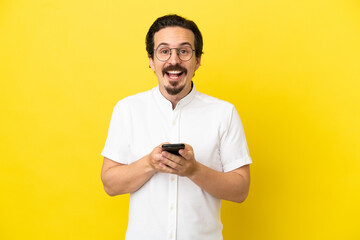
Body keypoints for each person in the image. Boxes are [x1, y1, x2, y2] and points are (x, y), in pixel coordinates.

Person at [101, 14, 252, 240]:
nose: (174, 60)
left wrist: (193, 170)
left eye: (184, 51)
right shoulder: (127, 110)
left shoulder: (224, 113)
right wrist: (150, 163)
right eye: (164, 51)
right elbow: (110, 184)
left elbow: (240, 190)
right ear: (151, 60)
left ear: (197, 60)